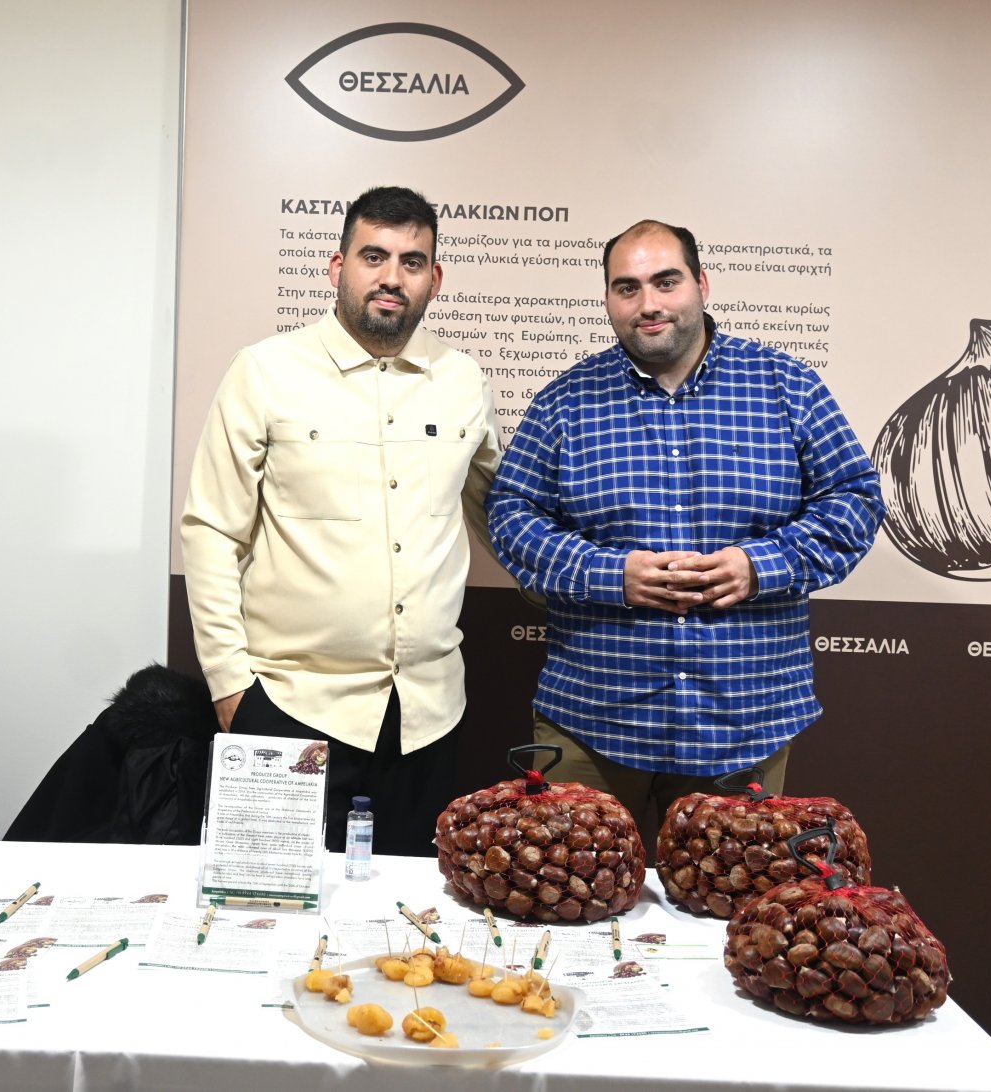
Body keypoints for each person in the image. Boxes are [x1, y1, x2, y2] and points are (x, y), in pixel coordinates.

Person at [487, 218, 883, 836]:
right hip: (593, 720)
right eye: (627, 288)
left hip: (743, 724)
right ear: (608, 299)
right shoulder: (565, 401)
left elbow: (855, 499)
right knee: (571, 885)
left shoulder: (787, 386)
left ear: (701, 283)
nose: (648, 304)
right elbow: (512, 515)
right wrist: (610, 574)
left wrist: (760, 566)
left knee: (725, 894)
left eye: (666, 282)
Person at [181, 185, 501, 856]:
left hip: (427, 718)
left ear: (435, 279)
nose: (391, 277)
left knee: (407, 912)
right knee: (271, 906)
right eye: (373, 256)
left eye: (412, 262)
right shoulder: (265, 371)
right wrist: (231, 687)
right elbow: (212, 530)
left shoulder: (463, 380)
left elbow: (502, 512)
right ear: (337, 267)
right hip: (291, 707)